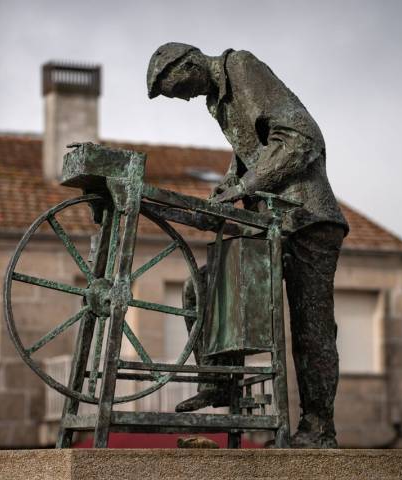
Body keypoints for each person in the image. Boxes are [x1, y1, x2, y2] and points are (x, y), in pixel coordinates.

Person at [147, 43, 349, 448]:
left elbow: (299, 137)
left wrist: (245, 186)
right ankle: (221, 382)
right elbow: (252, 150)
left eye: (177, 89)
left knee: (311, 327)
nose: (183, 98)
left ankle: (318, 428)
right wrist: (228, 185)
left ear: (187, 63)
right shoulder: (217, 100)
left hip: (306, 215)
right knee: (200, 287)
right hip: (271, 218)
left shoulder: (241, 66)